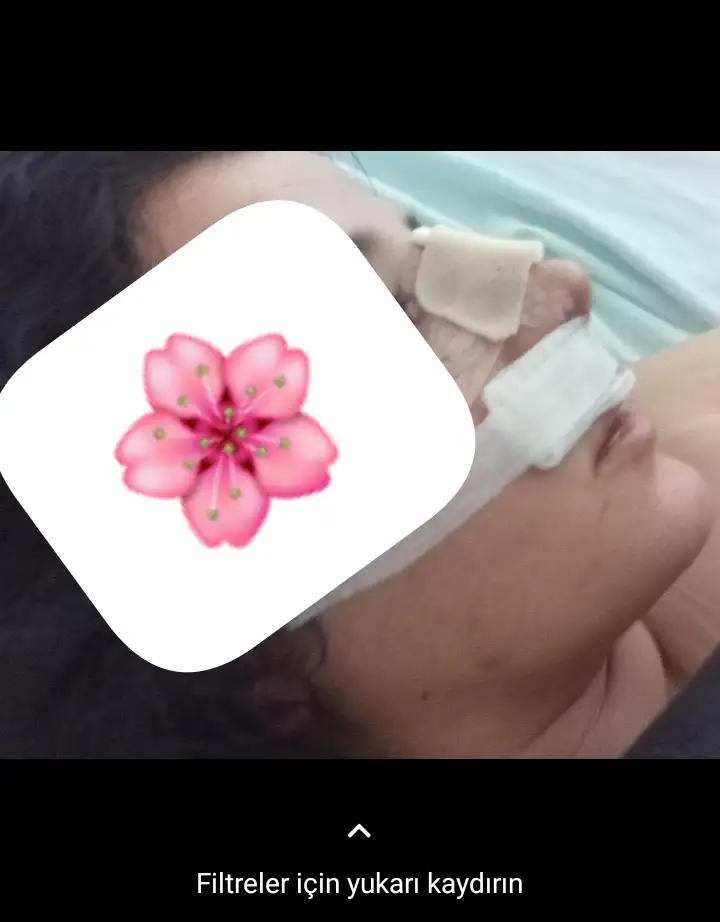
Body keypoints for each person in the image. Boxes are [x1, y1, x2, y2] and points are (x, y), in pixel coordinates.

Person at [0, 150, 718, 759]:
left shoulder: (676, 431)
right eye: (402, 321)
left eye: (429, 249)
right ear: (257, 668)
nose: (568, 287)